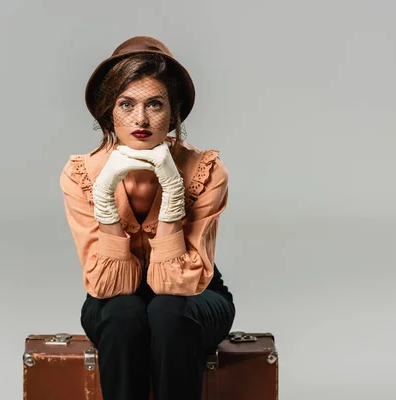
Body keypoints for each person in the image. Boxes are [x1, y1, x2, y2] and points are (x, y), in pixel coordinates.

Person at [59, 36, 236, 400]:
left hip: (194, 293)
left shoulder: (206, 170)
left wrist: (173, 191)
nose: (140, 119)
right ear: (109, 111)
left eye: (155, 104)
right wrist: (105, 196)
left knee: (167, 312)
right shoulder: (82, 174)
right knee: (124, 313)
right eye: (126, 104)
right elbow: (109, 286)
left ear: (173, 113)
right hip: (112, 299)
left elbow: (175, 285)